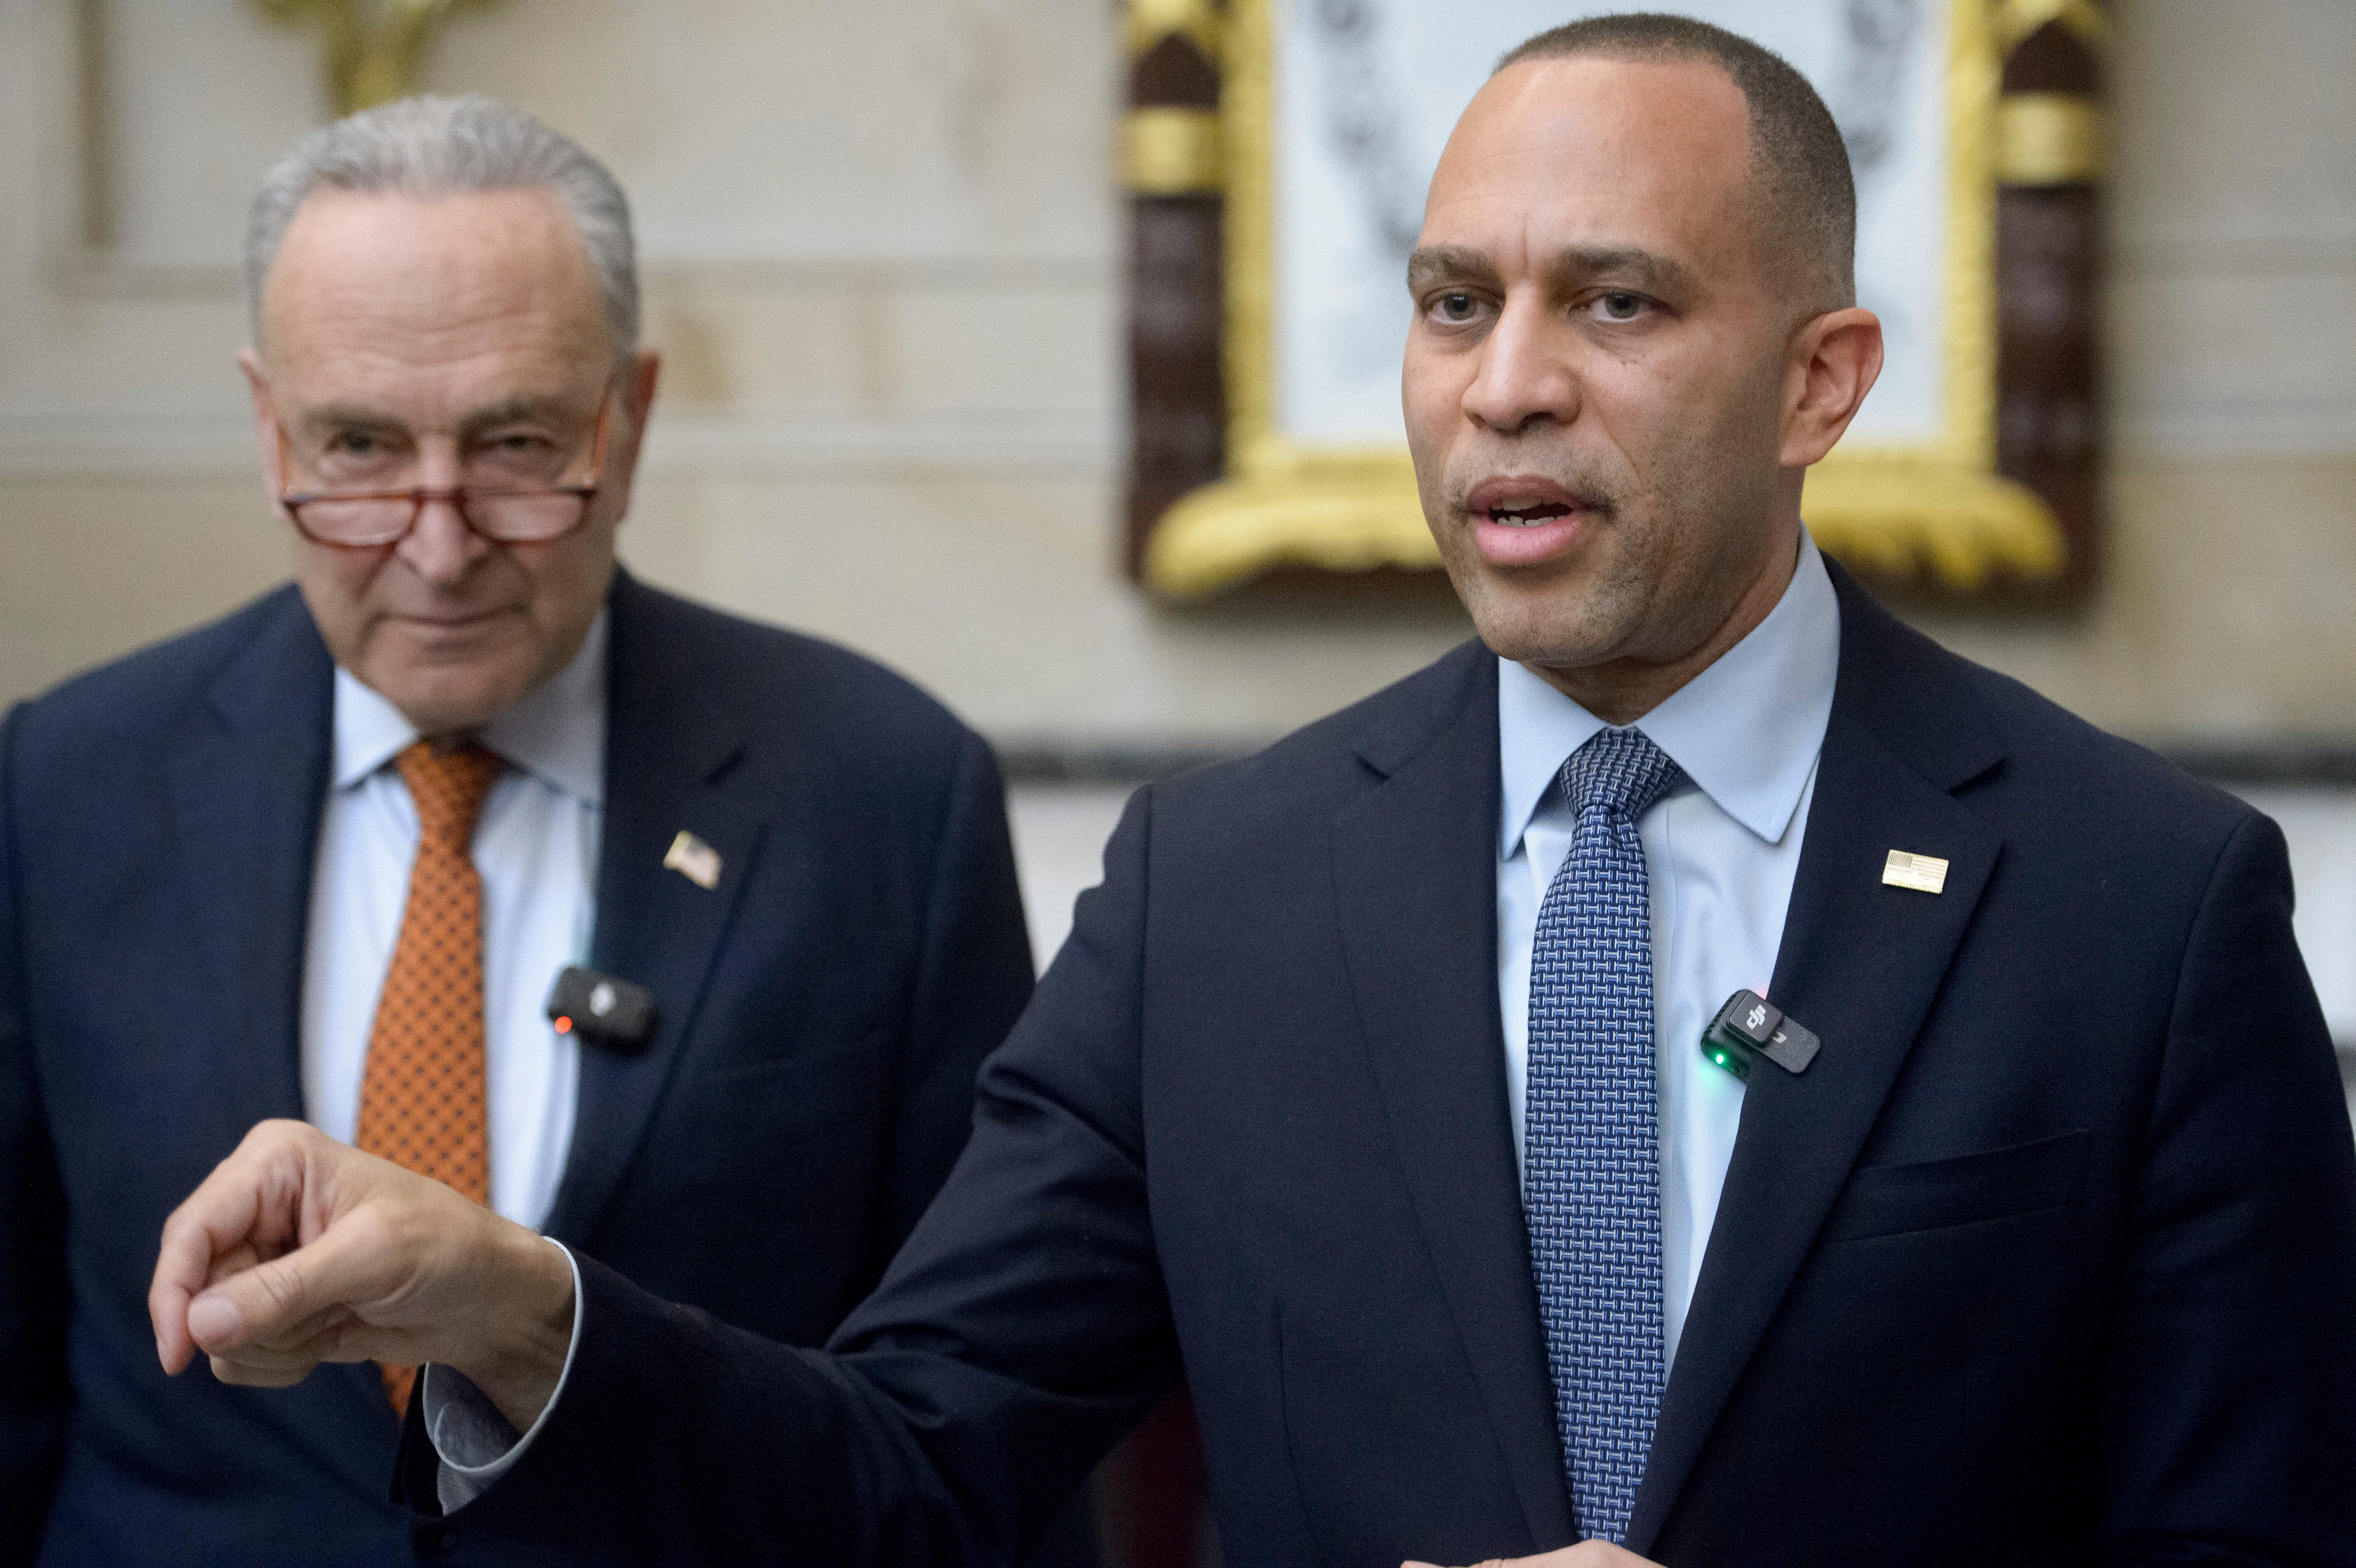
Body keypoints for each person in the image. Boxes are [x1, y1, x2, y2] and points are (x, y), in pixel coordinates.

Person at [150, 19, 2356, 1568]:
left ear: (1819, 380)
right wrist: (520, 1303)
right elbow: (909, 1473)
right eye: (1449, 300)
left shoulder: (2133, 906)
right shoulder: (1219, 892)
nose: (1503, 386)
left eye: (1613, 302)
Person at [0, 96, 1041, 1566]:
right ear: (265, 423)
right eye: (358, 448)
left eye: (513, 445)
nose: (438, 546)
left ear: (629, 419)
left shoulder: (884, 794)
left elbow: (978, 1431)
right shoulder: (66, 781)